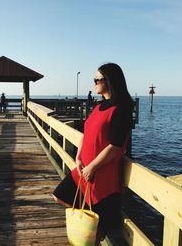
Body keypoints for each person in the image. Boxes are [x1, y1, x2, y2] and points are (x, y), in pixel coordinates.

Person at [52, 63, 133, 244]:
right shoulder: (99, 106)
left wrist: (92, 167)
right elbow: (86, 134)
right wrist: (78, 156)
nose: (95, 82)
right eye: (94, 79)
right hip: (84, 169)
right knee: (59, 195)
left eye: (98, 79)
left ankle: (99, 230)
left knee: (93, 234)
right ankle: (99, 227)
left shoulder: (122, 109)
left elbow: (115, 146)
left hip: (101, 173)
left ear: (110, 81)